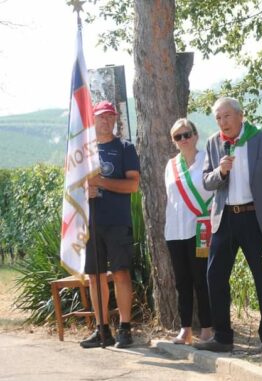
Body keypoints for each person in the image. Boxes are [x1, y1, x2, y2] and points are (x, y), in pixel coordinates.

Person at [195, 97, 262, 353]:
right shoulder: (214, 143)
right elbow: (207, 182)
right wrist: (221, 172)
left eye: (227, 116)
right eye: (218, 118)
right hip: (224, 218)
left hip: (255, 218)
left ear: (240, 116)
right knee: (215, 276)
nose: (223, 122)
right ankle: (223, 337)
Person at [80, 100, 140, 349]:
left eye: (110, 117)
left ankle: (125, 328)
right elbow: (72, 188)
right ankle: (102, 329)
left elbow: (133, 186)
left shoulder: (125, 147)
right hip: (90, 223)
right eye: (102, 116)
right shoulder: (83, 151)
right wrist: (86, 191)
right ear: (93, 119)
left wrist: (101, 182)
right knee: (94, 277)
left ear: (115, 120)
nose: (106, 120)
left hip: (117, 222)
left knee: (120, 273)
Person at [164, 118, 214, 345]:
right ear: (174, 141)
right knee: (182, 282)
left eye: (186, 134)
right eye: (178, 136)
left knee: (201, 279)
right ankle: (185, 329)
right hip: (175, 230)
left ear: (195, 135)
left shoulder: (207, 160)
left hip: (200, 229)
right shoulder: (171, 166)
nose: (183, 139)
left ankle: (206, 328)